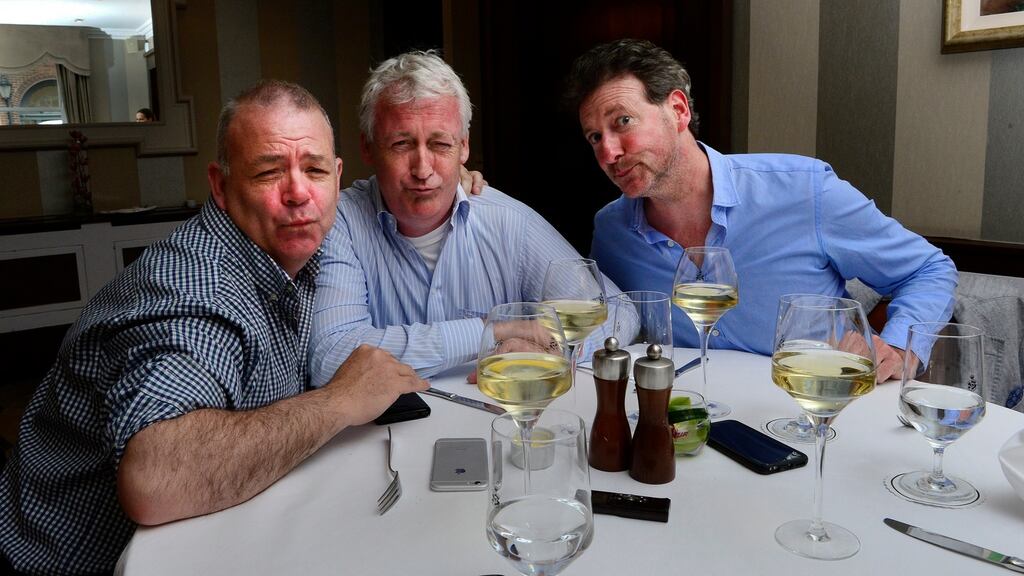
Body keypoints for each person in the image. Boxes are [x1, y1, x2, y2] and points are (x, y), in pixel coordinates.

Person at [0, 80, 428, 574]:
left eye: (313, 170)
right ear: (221, 186)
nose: (298, 193)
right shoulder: (200, 291)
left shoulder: (295, 246)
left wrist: (461, 179)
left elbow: (403, 193)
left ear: (336, 177)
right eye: (269, 172)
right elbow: (156, 479)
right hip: (62, 564)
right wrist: (340, 401)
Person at [566, 39, 958, 383]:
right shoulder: (611, 231)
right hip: (688, 429)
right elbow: (612, 325)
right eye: (595, 136)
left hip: (812, 412)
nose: (608, 153)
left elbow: (928, 270)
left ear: (678, 110)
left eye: (623, 121)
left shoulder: (804, 190)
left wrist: (901, 348)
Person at [309, 51, 624, 386]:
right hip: (382, 435)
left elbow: (618, 311)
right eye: (401, 144)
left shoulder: (507, 221)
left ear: (463, 148)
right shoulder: (339, 221)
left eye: (440, 144)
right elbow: (331, 355)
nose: (423, 170)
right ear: (368, 148)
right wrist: (492, 332)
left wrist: (554, 347)